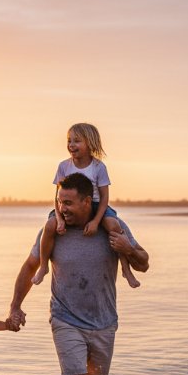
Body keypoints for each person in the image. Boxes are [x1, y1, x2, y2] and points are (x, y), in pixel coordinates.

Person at [9, 172, 149, 375]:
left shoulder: (112, 227)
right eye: (60, 202)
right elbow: (29, 266)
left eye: (70, 203)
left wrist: (127, 249)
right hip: (65, 318)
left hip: (103, 322)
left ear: (88, 202)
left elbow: (144, 263)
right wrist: (15, 306)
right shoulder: (53, 231)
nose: (63, 209)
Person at [31, 123, 141, 289]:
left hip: (96, 206)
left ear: (90, 143)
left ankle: (126, 269)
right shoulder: (63, 166)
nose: (71, 145)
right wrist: (60, 219)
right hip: (70, 207)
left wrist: (96, 221)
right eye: (69, 141)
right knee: (49, 225)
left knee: (114, 225)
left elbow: (104, 198)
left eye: (77, 141)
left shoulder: (98, 167)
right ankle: (44, 266)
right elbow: (57, 197)